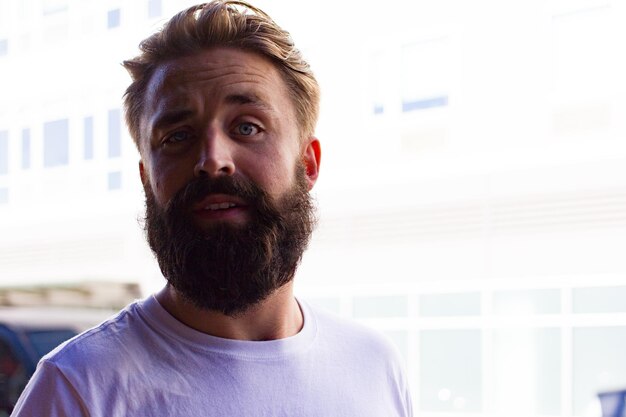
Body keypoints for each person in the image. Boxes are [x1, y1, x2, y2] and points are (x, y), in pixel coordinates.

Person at [11, 2, 412, 416]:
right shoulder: (78, 389)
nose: (212, 159)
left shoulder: (374, 366)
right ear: (147, 179)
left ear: (307, 163)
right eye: (177, 136)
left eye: (247, 127)